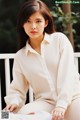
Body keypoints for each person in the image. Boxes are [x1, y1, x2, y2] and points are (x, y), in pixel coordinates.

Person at [4, 0, 80, 120]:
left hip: (72, 99)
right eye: (28, 21)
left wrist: (61, 105)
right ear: (22, 24)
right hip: (45, 103)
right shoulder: (20, 56)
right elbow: (18, 89)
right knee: (11, 115)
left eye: (38, 21)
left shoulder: (60, 40)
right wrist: (14, 102)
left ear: (46, 23)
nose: (33, 26)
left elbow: (67, 75)